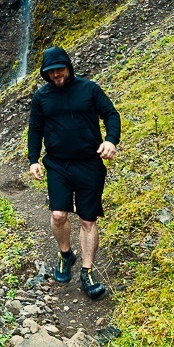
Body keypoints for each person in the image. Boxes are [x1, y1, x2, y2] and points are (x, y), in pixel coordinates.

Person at [28, 45, 120, 299]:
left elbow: (111, 114)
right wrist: (33, 159)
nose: (56, 76)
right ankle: (66, 254)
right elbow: (35, 129)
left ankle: (87, 272)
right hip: (57, 164)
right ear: (45, 74)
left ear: (69, 67)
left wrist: (111, 140)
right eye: (51, 73)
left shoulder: (89, 89)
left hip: (89, 162)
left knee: (88, 219)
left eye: (60, 71)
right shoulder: (42, 97)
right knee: (58, 214)